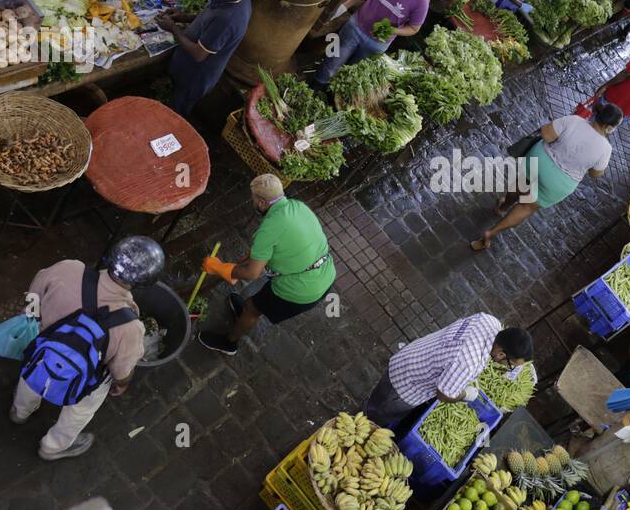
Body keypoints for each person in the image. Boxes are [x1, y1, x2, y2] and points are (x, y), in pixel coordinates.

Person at [11, 236, 163, 461]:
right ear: (143, 284)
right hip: (86, 375)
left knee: (33, 372)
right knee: (81, 410)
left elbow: (33, 295)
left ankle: (19, 411)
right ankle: (53, 447)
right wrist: (122, 384)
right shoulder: (130, 327)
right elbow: (121, 370)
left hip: (44, 349)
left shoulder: (67, 269)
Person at [198, 174, 334, 356]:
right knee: (253, 303)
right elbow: (281, 245)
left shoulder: (269, 228)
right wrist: (251, 257)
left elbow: (252, 273)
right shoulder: (299, 207)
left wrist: (221, 268)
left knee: (252, 309)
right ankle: (245, 311)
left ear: (261, 202)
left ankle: (230, 342)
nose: (251, 201)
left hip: (300, 289)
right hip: (325, 272)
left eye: (253, 198)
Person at [471, 103, 622, 251]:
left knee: (520, 185)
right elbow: (595, 174)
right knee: (526, 206)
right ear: (610, 127)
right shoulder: (606, 149)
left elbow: (546, 134)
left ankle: (502, 208)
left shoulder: (574, 121)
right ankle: (491, 233)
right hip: (559, 183)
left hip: (538, 161)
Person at [364, 315, 533, 433]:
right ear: (502, 354)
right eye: (510, 365)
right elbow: (443, 394)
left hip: (411, 356)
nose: (507, 367)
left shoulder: (488, 320)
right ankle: (363, 423)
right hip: (404, 389)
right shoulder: (468, 364)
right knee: (378, 414)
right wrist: (464, 395)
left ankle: (369, 413)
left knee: (379, 399)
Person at [312, 0, 428, 92]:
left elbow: (414, 28)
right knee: (333, 59)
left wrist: (393, 30)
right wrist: (345, 6)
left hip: (376, 43)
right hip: (355, 26)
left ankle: (333, 92)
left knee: (352, 70)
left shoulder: (420, 0)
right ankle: (316, 85)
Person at [159, 0, 252, 119]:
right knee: (172, 95)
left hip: (194, 76)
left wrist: (173, 28)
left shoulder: (230, 18)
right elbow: (210, 18)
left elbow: (199, 54)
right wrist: (184, 17)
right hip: (184, 66)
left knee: (175, 114)